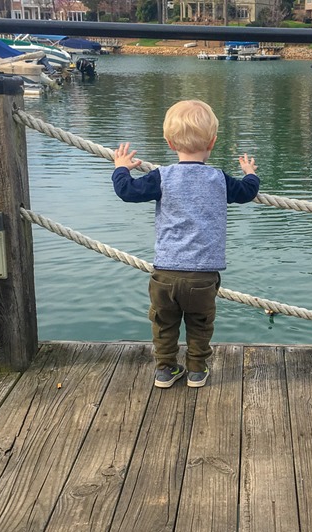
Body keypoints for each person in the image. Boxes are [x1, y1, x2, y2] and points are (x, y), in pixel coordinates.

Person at [112, 99, 260, 389]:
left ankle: (165, 370)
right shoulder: (218, 179)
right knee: (200, 324)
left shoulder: (161, 177)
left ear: (169, 142)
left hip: (165, 273)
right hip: (203, 275)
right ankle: (196, 370)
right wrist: (250, 173)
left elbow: (126, 191)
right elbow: (247, 192)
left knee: (164, 324)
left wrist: (121, 167)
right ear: (213, 142)